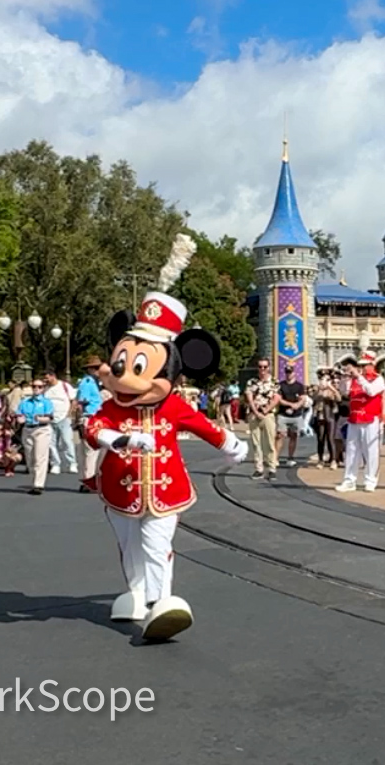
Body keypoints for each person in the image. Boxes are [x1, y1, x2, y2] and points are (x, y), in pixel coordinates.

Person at [84, 274, 248, 643]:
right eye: (121, 364)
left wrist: (231, 446)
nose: (126, 378)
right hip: (119, 489)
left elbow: (203, 425)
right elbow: (93, 430)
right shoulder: (111, 407)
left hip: (166, 490)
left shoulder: (172, 405)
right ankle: (137, 594)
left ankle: (163, 601)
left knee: (156, 544)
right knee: (129, 545)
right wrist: (118, 437)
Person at [335, 335, 385, 494]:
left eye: (365, 365)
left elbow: (371, 392)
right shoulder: (356, 379)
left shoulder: (378, 379)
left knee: (371, 450)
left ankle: (371, 480)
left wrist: (359, 377)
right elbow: (344, 392)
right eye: (360, 365)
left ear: (372, 364)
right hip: (355, 418)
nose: (362, 368)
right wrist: (344, 378)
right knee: (351, 450)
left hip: (371, 419)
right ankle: (349, 480)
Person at [17, 378, 55, 494]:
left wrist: (38, 418)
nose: (36, 389)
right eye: (34, 386)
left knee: (40, 457)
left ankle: (38, 485)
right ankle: (34, 480)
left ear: (43, 389)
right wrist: (20, 419)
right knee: (30, 458)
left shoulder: (46, 402)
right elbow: (19, 416)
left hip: (41, 429)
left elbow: (49, 417)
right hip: (27, 430)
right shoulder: (25, 402)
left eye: (39, 387)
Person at [244, 359, 278, 480]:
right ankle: (259, 469)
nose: (262, 369)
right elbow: (249, 398)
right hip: (254, 414)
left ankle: (272, 468)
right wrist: (256, 412)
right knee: (256, 442)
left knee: (269, 442)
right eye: (260, 367)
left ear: (269, 367)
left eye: (265, 367)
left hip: (268, 414)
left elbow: (276, 398)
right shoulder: (251, 382)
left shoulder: (274, 381)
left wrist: (265, 410)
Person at [75, 358, 105, 492]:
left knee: (90, 452)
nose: (99, 371)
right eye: (97, 368)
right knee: (90, 451)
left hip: (92, 417)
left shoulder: (93, 382)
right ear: (91, 369)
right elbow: (82, 402)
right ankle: (88, 480)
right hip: (89, 417)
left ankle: (88, 479)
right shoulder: (87, 383)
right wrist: (80, 419)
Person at [273, 364, 308, 468]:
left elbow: (303, 399)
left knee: (293, 436)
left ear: (294, 373)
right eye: (287, 372)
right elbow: (279, 399)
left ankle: (290, 457)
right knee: (280, 436)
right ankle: (275, 458)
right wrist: (290, 404)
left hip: (296, 415)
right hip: (283, 414)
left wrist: (295, 406)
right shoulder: (281, 385)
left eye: (290, 372)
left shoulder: (299, 386)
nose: (289, 374)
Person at [43, 368, 77, 477]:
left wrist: (70, 414)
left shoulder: (65, 386)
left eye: (47, 378)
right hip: (50, 419)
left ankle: (72, 462)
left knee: (67, 441)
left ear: (53, 376)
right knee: (51, 443)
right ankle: (55, 464)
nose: (46, 380)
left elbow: (73, 400)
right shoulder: (45, 389)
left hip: (64, 417)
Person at [311, 369, 340, 468]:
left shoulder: (332, 390)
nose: (324, 381)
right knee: (320, 438)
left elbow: (339, 398)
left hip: (330, 416)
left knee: (331, 438)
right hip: (320, 416)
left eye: (327, 379)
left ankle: (333, 460)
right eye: (322, 379)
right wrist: (319, 390)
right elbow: (312, 399)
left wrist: (331, 388)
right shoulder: (317, 389)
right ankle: (320, 460)